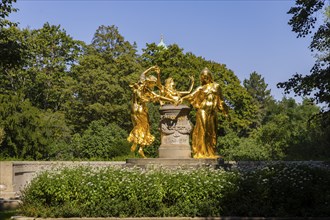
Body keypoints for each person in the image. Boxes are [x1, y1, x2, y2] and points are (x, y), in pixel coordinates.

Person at [127, 66, 175, 158]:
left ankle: (136, 143)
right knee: (145, 127)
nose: (153, 86)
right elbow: (152, 97)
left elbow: (143, 74)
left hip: (134, 109)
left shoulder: (140, 84)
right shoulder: (147, 90)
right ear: (150, 82)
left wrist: (151, 68)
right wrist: (171, 100)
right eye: (153, 84)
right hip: (141, 109)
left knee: (137, 126)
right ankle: (139, 145)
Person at [182, 67, 229, 158]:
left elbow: (221, 101)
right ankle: (201, 152)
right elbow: (191, 96)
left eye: (206, 76)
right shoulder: (200, 88)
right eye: (203, 77)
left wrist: (225, 112)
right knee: (203, 131)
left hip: (212, 112)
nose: (205, 78)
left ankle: (211, 152)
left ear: (210, 77)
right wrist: (182, 99)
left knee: (213, 132)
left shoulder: (216, 86)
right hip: (202, 110)